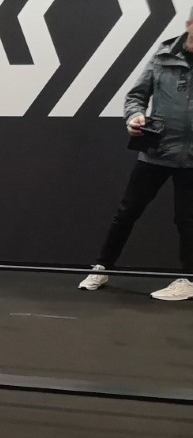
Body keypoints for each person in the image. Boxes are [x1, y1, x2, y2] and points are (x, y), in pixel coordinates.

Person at [79, 11, 193, 302]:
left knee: (188, 220)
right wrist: (134, 116)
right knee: (127, 211)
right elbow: (136, 96)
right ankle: (102, 267)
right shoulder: (163, 56)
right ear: (190, 25)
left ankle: (189, 280)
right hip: (158, 149)